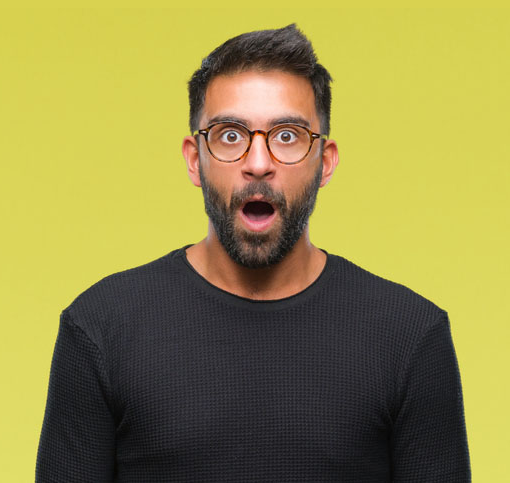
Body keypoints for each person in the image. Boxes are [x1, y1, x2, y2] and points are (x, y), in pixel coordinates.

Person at [36, 24, 471, 482]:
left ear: (324, 162)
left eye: (287, 136)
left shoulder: (409, 337)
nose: (258, 163)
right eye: (229, 136)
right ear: (193, 160)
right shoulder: (101, 329)